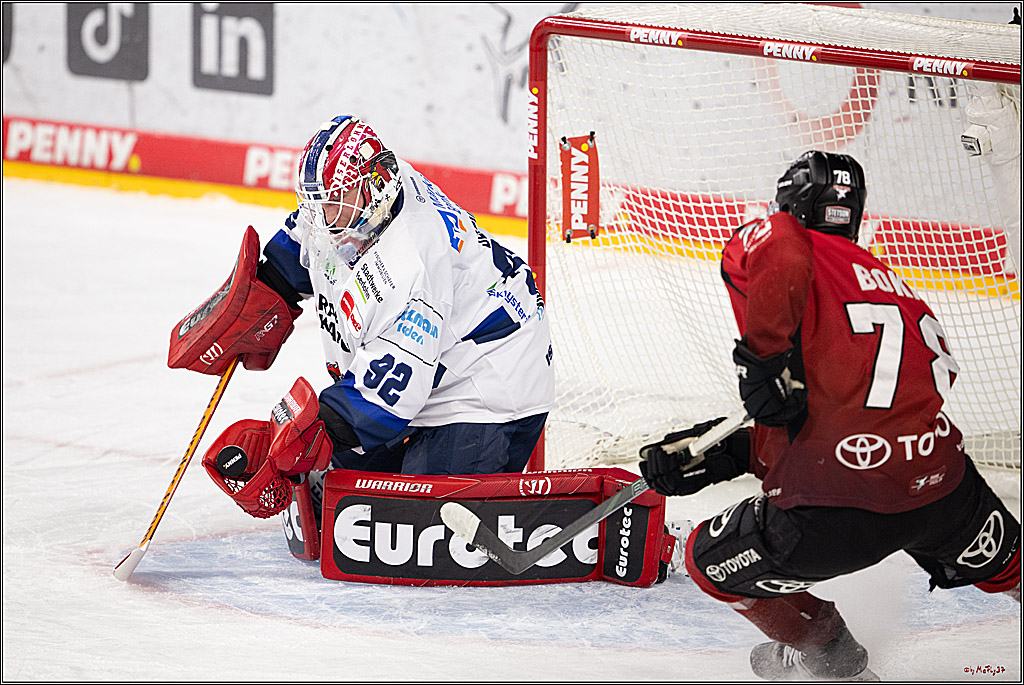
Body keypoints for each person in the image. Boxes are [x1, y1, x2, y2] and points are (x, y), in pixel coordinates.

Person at [639, 151, 1021, 681]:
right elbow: (849, 416)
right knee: (1011, 565)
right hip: (945, 492)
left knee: (708, 564)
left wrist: (764, 359)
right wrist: (725, 455)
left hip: (837, 516)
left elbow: (777, 241)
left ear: (791, 206)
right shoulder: (895, 287)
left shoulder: (784, 240)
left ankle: (832, 656)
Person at [169, 115, 553, 523]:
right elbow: (306, 238)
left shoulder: (411, 265)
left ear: (372, 189)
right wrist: (266, 292)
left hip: (485, 385)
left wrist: (308, 436)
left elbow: (387, 397)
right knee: (349, 508)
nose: (320, 217)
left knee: (415, 527)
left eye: (331, 203)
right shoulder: (359, 199)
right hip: (436, 361)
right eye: (314, 203)